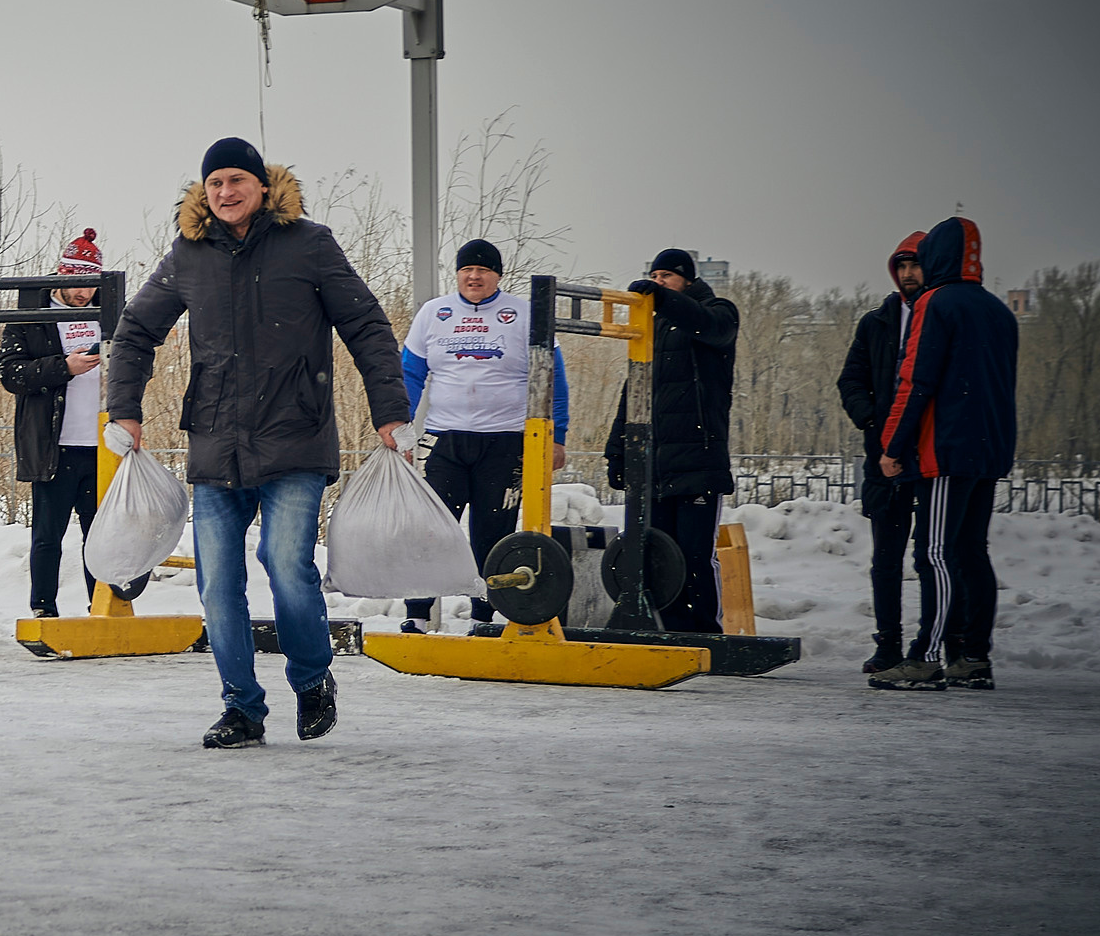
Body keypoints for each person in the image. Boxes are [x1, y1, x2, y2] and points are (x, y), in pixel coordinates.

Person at [106, 137, 410, 750]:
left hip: (295, 436)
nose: (225, 192)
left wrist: (390, 411)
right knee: (217, 582)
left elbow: (367, 325)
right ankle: (242, 707)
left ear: (262, 187)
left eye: (236, 181)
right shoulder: (189, 255)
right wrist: (125, 408)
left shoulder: (310, 245)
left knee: (285, 564)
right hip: (216, 442)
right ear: (204, 192)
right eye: (214, 183)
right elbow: (136, 329)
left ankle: (310, 677)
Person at [869, 216, 1017, 692]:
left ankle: (926, 657)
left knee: (934, 553)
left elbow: (916, 380)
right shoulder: (999, 311)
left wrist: (893, 446)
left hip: (944, 449)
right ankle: (973, 657)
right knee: (973, 552)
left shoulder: (935, 303)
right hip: (988, 450)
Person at [396, 239, 569, 632]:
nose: (474, 277)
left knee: (492, 535)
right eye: (467, 270)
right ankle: (418, 615)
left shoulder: (524, 313)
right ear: (457, 274)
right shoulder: (433, 313)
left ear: (498, 276)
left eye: (483, 270)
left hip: (504, 443)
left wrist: (557, 435)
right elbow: (410, 374)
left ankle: (483, 618)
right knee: (432, 529)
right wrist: (402, 428)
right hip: (444, 441)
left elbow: (554, 376)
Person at [601, 248, 738, 633]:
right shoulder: (653, 327)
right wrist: (617, 451)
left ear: (687, 281)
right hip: (655, 465)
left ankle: (705, 633)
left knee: (695, 556)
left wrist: (663, 299)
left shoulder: (718, 312)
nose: (659, 283)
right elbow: (634, 392)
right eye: (655, 277)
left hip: (699, 460)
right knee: (659, 556)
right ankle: (670, 630)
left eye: (667, 277)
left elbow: (707, 324)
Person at [0, 229, 109, 619]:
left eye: (91, 286)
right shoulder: (32, 317)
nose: (84, 294)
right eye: (76, 285)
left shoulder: (107, 314)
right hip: (52, 446)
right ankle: (43, 609)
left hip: (101, 448)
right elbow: (10, 374)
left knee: (101, 538)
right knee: (48, 537)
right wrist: (64, 367)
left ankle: (103, 606)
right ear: (60, 277)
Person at [836, 232, 926, 672]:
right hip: (882, 455)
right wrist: (872, 422)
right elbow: (850, 379)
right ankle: (888, 642)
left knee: (932, 555)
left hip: (928, 455)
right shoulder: (877, 322)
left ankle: (932, 646)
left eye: (916, 265)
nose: (909, 274)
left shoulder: (939, 316)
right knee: (885, 560)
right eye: (902, 266)